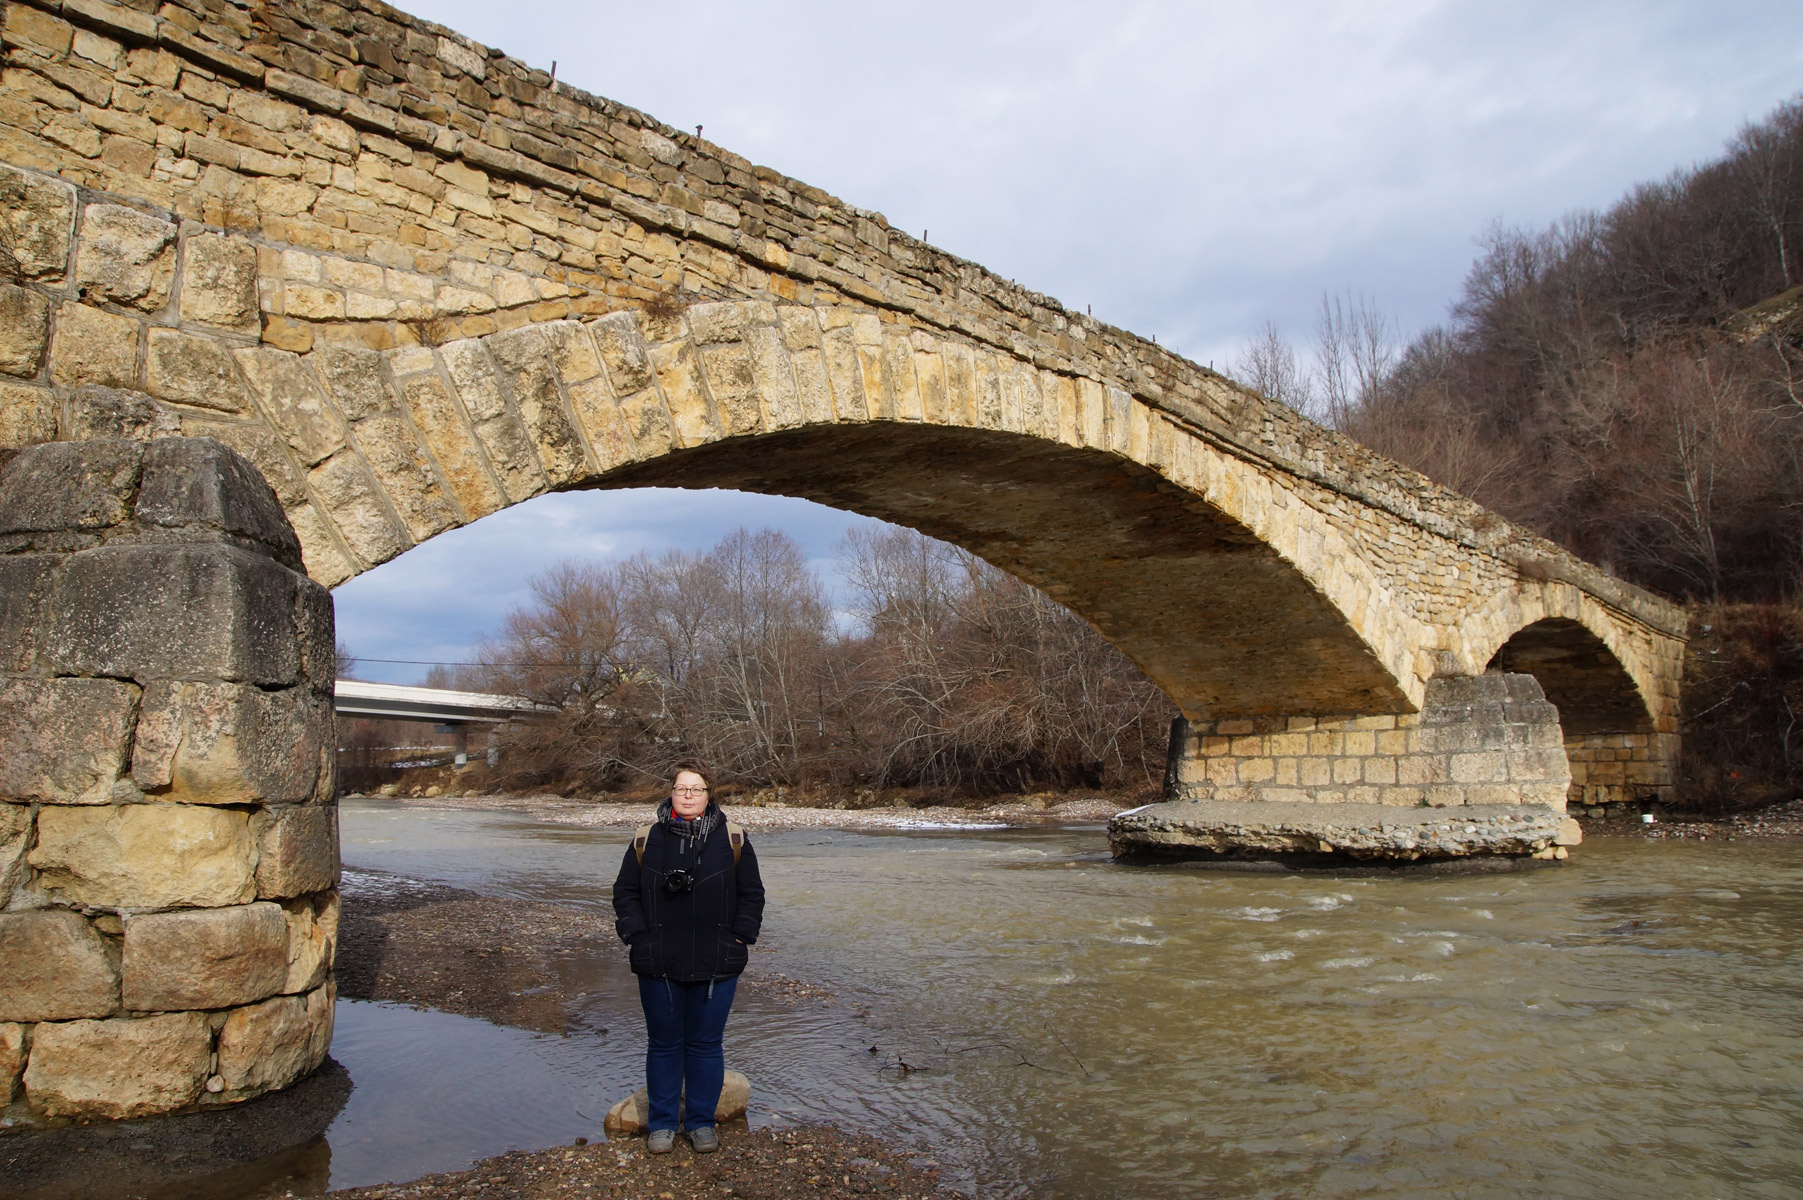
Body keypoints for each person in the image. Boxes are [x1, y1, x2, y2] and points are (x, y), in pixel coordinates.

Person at [612, 758, 765, 1155]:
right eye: (681, 789)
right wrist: (636, 936)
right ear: (671, 792)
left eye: (696, 789)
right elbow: (625, 892)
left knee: (705, 1045)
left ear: (708, 794)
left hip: (718, 959)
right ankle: (662, 1123)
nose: (688, 796)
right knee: (663, 1045)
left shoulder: (733, 837)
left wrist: (740, 939)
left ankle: (700, 1123)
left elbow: (752, 894)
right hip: (657, 958)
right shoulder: (647, 837)